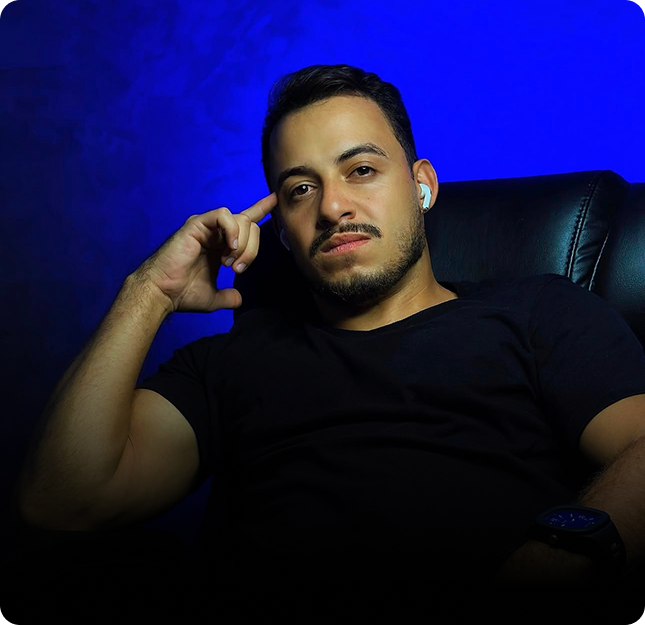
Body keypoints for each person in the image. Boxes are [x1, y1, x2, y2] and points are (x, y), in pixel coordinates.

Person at [16, 64, 645, 604]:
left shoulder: (537, 314)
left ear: (422, 186)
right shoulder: (227, 363)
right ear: (281, 229)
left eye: (361, 169)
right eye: (300, 188)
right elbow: (62, 500)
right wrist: (148, 291)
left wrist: (563, 555)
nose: (332, 207)